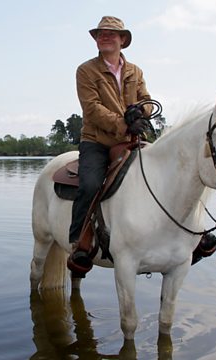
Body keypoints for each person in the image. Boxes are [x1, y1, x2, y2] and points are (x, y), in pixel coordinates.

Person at [68, 16, 153, 276]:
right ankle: (79, 241)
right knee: (91, 184)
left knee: (164, 171)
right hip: (97, 141)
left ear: (122, 40)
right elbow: (92, 109)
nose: (105, 37)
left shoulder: (135, 71)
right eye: (101, 34)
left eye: (111, 34)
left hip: (131, 139)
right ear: (96, 39)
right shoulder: (86, 70)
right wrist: (124, 125)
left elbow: (147, 100)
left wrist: (140, 113)